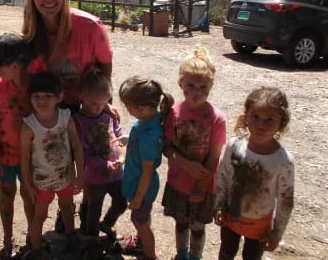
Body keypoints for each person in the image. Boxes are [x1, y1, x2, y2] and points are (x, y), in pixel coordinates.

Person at [22, 0, 114, 232]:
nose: (49, 0)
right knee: (55, 158)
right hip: (50, 106)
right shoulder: (31, 30)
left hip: (83, 105)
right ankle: (61, 209)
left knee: (86, 161)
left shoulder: (89, 25)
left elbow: (105, 64)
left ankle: (80, 216)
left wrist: (103, 101)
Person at [214, 87, 294, 260]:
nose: (261, 125)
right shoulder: (234, 146)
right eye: (255, 117)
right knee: (226, 252)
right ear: (246, 116)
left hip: (259, 224)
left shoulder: (283, 160)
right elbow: (223, 176)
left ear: (282, 122)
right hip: (230, 216)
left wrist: (277, 233)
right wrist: (218, 205)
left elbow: (285, 201)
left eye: (269, 120)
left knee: (252, 257)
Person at [162, 47, 226, 260]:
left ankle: (195, 257)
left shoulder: (216, 118)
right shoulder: (173, 113)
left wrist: (200, 186)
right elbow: (167, 147)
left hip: (203, 185)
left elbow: (214, 156)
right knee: (181, 224)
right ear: (181, 84)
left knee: (198, 227)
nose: (196, 91)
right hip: (178, 182)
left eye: (202, 87)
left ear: (210, 87)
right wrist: (185, 164)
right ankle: (182, 255)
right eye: (191, 85)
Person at [0, 32, 38, 258]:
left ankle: (34, 236)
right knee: (6, 192)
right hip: (5, 155)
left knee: (29, 194)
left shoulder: (37, 88)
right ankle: (7, 238)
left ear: (14, 65)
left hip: (30, 157)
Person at [20, 72, 84, 259]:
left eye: (48, 96)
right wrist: (27, 184)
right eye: (37, 96)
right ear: (30, 98)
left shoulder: (65, 117)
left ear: (59, 97)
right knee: (39, 216)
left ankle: (71, 236)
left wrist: (79, 175)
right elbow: (24, 159)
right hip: (42, 182)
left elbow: (76, 147)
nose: (42, 101)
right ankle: (37, 249)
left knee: (67, 207)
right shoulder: (29, 126)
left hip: (65, 177)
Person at [72, 67, 127, 258]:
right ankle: (91, 240)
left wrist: (121, 155)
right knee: (94, 207)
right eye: (93, 103)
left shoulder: (109, 114)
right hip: (95, 175)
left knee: (121, 202)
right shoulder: (78, 121)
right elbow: (83, 152)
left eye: (102, 103)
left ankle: (108, 224)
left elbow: (119, 135)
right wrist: (104, 165)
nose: (97, 107)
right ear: (82, 96)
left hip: (116, 171)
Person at [118, 76, 174, 260]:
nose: (126, 110)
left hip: (142, 188)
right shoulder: (146, 122)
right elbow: (139, 144)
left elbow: (147, 171)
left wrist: (137, 198)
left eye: (128, 106)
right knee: (141, 219)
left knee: (140, 221)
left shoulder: (151, 135)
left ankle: (150, 256)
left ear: (141, 108)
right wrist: (129, 139)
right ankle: (141, 243)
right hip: (138, 185)